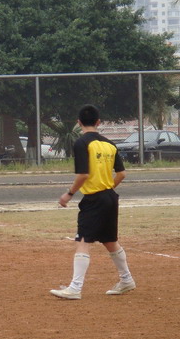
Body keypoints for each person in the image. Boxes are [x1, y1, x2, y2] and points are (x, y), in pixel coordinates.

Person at [51, 104, 135, 300]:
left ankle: (75, 288)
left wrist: (69, 194)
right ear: (98, 122)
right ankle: (126, 280)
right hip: (110, 197)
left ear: (78, 122)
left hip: (94, 199)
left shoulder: (82, 143)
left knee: (83, 241)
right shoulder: (110, 144)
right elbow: (122, 174)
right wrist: (108, 188)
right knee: (110, 241)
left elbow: (83, 175)